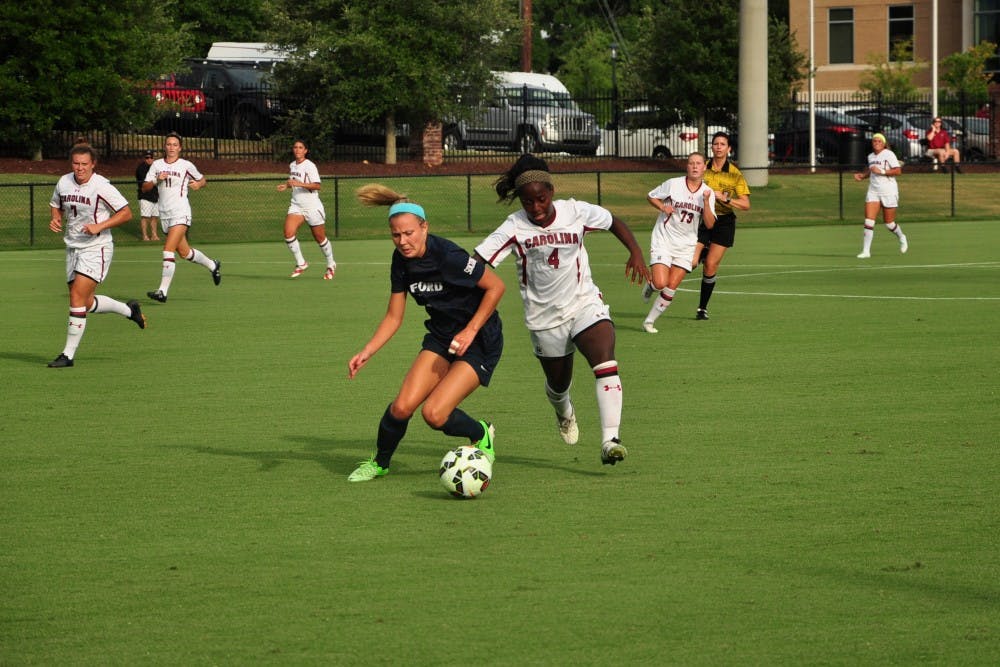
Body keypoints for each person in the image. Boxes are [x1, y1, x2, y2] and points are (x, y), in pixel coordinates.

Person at [474, 154, 649, 466]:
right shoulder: (513, 226)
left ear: (551, 192)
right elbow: (479, 260)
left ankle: (611, 440)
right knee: (558, 386)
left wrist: (635, 251)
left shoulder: (575, 211)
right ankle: (564, 411)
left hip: (584, 304)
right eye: (529, 202)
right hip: (544, 320)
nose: (536, 208)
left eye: (541, 199)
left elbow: (613, 221)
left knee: (605, 362)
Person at [347, 184, 505, 482]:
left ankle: (481, 433)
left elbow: (496, 287)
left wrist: (471, 330)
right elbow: (394, 316)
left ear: (424, 228)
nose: (403, 241)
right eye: (396, 235)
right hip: (442, 337)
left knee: (434, 414)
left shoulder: (448, 255)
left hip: (480, 340)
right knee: (402, 406)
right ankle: (380, 463)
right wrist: (367, 351)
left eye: (409, 233)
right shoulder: (400, 262)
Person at [47, 144, 146, 368]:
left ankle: (68, 355)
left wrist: (99, 225)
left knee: (76, 299)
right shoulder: (64, 181)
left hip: (96, 247)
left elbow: (126, 213)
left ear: (93, 164)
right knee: (85, 302)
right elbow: (56, 205)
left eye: (84, 164)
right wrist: (55, 218)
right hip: (73, 247)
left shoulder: (101, 186)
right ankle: (129, 311)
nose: (80, 168)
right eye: (76, 163)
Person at [640, 152, 717, 333]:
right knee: (660, 283)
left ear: (704, 167)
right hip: (664, 239)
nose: (695, 166)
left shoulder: (708, 193)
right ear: (687, 166)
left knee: (671, 286)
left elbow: (710, 223)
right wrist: (662, 207)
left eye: (699, 163)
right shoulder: (673, 184)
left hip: (687, 245)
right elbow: (651, 196)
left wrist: (706, 202)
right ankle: (652, 286)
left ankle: (649, 322)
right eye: (691, 163)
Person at [143, 132, 221, 303]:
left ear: (180, 148)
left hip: (181, 211)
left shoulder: (186, 165)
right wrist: (157, 179)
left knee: (167, 250)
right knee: (185, 253)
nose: (171, 147)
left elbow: (203, 180)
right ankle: (213, 265)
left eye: (174, 145)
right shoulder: (156, 165)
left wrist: (198, 185)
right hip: (164, 214)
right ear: (165, 147)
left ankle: (162, 291)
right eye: (168, 144)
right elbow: (145, 187)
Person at [690, 131, 750, 320]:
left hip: (724, 221)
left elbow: (746, 204)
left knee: (710, 265)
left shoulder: (734, 174)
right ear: (712, 147)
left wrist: (726, 198)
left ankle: (702, 308)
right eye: (715, 143)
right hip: (701, 219)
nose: (718, 147)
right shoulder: (702, 168)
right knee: (690, 263)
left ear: (729, 149)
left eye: (722, 144)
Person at [277, 140, 337, 279]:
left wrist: (299, 183)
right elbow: (293, 180)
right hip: (296, 205)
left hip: (312, 206)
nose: (297, 150)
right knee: (288, 233)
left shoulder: (310, 166)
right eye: (295, 147)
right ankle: (301, 263)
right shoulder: (292, 165)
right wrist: (286, 186)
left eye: (300, 148)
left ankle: (331, 263)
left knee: (320, 238)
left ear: (305, 150)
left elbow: (317, 186)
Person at [854, 133, 908, 259]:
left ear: (883, 143)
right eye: (874, 141)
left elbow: (898, 171)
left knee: (889, 223)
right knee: (869, 221)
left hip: (889, 191)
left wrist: (882, 171)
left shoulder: (889, 154)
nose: (876, 142)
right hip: (873, 191)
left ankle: (901, 237)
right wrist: (862, 176)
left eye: (879, 141)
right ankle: (866, 251)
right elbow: (872, 170)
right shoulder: (870, 156)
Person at [135, 150, 160, 242]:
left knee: (154, 216)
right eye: (147, 157)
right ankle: (145, 236)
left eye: (151, 157)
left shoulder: (156, 167)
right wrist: (157, 179)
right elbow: (145, 184)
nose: (149, 159)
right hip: (145, 196)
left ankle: (154, 235)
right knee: (145, 216)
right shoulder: (141, 169)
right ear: (144, 158)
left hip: (155, 195)